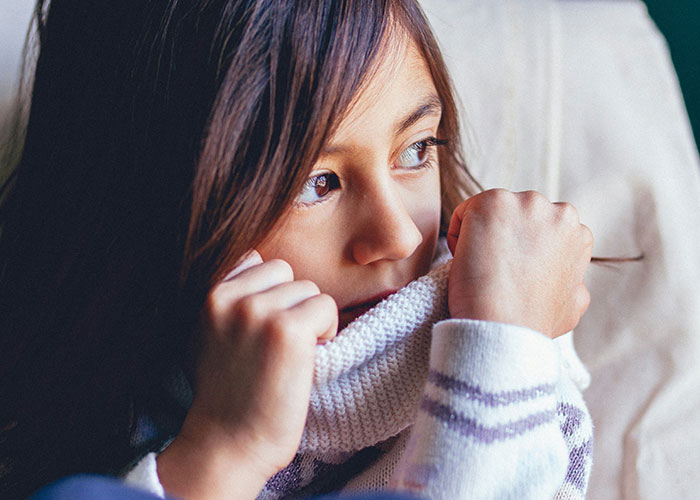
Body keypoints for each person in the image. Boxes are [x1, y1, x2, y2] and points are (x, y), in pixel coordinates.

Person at [0, 0, 593, 499]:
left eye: (415, 150)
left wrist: (505, 340)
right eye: (314, 184)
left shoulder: (513, 347)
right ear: (148, 206)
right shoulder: (84, 443)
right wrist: (225, 451)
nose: (399, 237)